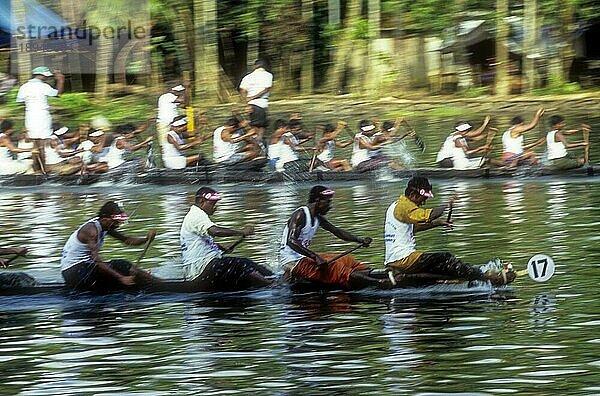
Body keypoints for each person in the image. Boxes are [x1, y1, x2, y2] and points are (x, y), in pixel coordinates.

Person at [384, 176, 514, 287]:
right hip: (403, 260)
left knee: (444, 264)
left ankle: (475, 275)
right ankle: (490, 279)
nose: (424, 202)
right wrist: (447, 206)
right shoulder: (403, 207)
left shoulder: (395, 206)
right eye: (422, 199)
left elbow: (414, 228)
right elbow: (427, 215)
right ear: (412, 195)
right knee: (445, 257)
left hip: (398, 259)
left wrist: (438, 223)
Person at [279, 185, 392, 290]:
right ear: (318, 201)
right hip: (292, 261)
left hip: (304, 258)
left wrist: (359, 240)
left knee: (347, 259)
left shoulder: (317, 217)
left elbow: (337, 231)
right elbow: (291, 241)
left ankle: (372, 273)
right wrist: (315, 257)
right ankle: (379, 282)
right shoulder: (301, 214)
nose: (330, 206)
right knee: (336, 267)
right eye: (328, 202)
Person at [179, 187, 273, 291]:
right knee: (240, 264)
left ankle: (272, 276)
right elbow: (215, 231)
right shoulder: (196, 215)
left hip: (205, 265)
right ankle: (271, 284)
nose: (215, 208)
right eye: (212, 204)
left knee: (247, 262)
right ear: (202, 201)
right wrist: (241, 232)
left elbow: (200, 240)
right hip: (200, 268)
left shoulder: (196, 214)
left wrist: (220, 247)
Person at [60, 201, 159, 291]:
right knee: (122, 265)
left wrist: (146, 239)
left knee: (122, 265)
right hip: (74, 272)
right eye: (115, 221)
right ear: (105, 218)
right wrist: (121, 278)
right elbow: (97, 261)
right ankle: (157, 283)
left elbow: (127, 240)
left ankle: (155, 281)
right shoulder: (91, 231)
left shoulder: (105, 226)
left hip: (84, 268)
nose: (117, 224)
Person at [15, 66, 64, 173]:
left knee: (34, 144)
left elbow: (20, 101)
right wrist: (60, 80)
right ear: (42, 76)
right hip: (42, 116)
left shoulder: (24, 86)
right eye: (46, 76)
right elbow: (58, 94)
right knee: (42, 144)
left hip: (30, 116)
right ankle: (44, 169)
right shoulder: (43, 86)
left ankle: (36, 169)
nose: (47, 78)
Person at [239, 59, 273, 136]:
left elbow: (243, 90)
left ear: (255, 66)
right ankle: (258, 144)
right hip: (261, 103)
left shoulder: (247, 77)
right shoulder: (268, 75)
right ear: (265, 66)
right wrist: (253, 97)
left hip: (251, 104)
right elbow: (266, 89)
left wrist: (247, 102)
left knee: (253, 125)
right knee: (261, 127)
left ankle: (255, 142)